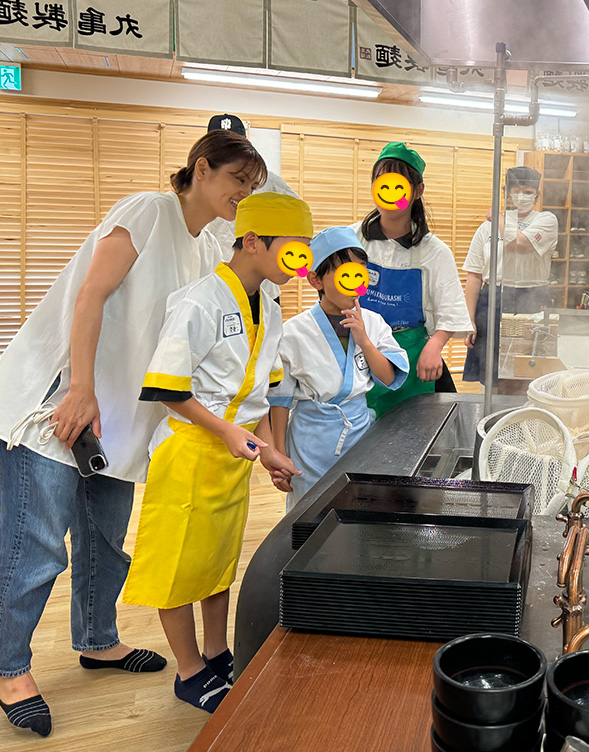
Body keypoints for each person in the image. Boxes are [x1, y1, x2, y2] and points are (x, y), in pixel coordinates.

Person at [0, 131, 266, 737]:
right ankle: (10, 667)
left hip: (118, 420)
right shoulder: (147, 211)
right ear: (201, 170)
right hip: (62, 400)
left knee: (106, 541)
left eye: (251, 187)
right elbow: (91, 295)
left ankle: (97, 641)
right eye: (236, 181)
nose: (242, 194)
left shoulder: (205, 248)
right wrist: (81, 388)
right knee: (36, 543)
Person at [121, 193, 307, 713]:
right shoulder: (199, 300)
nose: (303, 264)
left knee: (218, 561)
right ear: (252, 242)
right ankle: (188, 672)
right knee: (178, 566)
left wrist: (270, 450)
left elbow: (265, 393)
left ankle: (216, 652)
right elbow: (166, 386)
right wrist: (224, 431)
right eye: (294, 251)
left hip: (235, 455)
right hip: (189, 451)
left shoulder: (269, 310)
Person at [268, 226, 409, 511]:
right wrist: (280, 455)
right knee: (310, 512)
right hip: (310, 442)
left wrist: (364, 341)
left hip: (360, 435)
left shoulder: (373, 322)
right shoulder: (293, 332)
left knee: (357, 511)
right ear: (316, 280)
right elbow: (280, 401)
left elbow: (389, 376)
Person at [351, 142, 473, 417]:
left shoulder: (435, 251)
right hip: (357, 350)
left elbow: (451, 310)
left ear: (417, 191)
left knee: (409, 435)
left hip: (411, 356)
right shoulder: (352, 239)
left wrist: (435, 346)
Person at [462, 166, 558, 384]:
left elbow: (520, 244)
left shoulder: (546, 220)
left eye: (528, 191)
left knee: (530, 373)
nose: (521, 196)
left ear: (537, 196)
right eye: (516, 190)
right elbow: (474, 275)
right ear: (505, 192)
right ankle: (493, 416)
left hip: (531, 300)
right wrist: (469, 319)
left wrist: (497, 217)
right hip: (492, 299)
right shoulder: (485, 229)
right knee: (491, 375)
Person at [202, 114, 299, 301]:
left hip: (262, 287)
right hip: (218, 282)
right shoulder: (202, 184)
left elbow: (298, 218)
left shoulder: (268, 181)